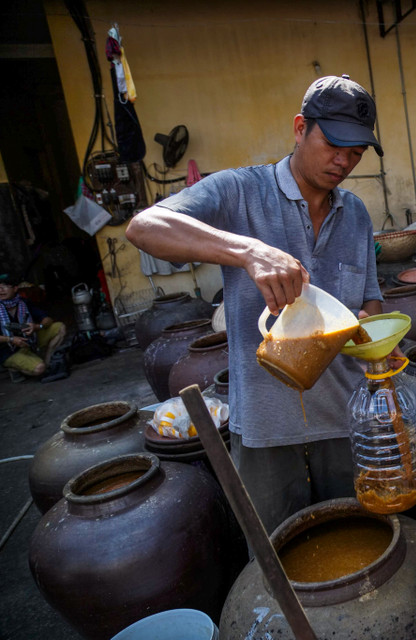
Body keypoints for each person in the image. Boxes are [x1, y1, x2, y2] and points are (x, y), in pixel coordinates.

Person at [126, 75, 386, 533]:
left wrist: (376, 336)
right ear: (300, 127)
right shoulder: (238, 192)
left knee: (355, 546)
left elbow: (369, 302)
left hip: (346, 425)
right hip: (266, 429)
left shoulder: (357, 214)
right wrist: (247, 251)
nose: (343, 161)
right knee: (277, 558)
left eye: (357, 152)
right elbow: (145, 228)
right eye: (334, 144)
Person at [0, 273, 68, 379]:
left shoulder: (23, 303)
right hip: (8, 351)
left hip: (29, 342)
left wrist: (37, 326)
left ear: (15, 288)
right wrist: (11, 339)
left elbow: (48, 319)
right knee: (39, 369)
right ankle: (15, 369)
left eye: (5, 286)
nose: (1, 290)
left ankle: (48, 362)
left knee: (59, 327)